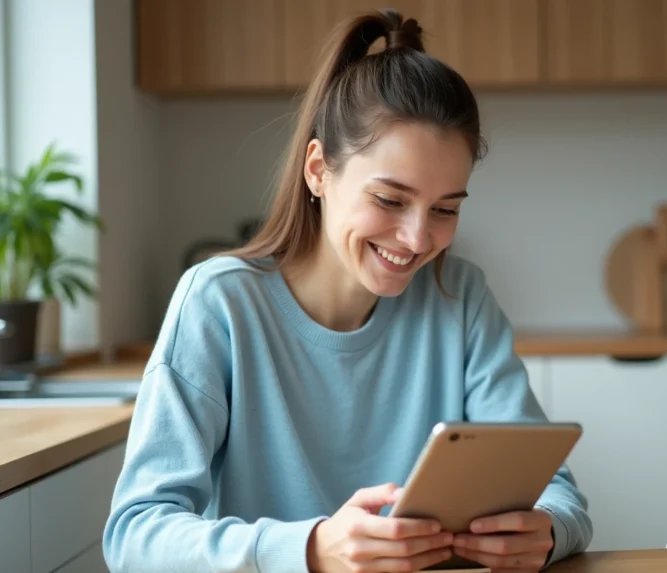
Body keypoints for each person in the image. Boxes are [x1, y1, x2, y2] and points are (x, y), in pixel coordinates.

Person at [102, 8, 592, 573]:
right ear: (318, 170)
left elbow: (558, 493)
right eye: (389, 199)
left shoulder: (460, 297)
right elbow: (135, 537)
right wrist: (310, 550)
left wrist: (548, 532)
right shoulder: (219, 304)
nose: (416, 238)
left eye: (445, 209)